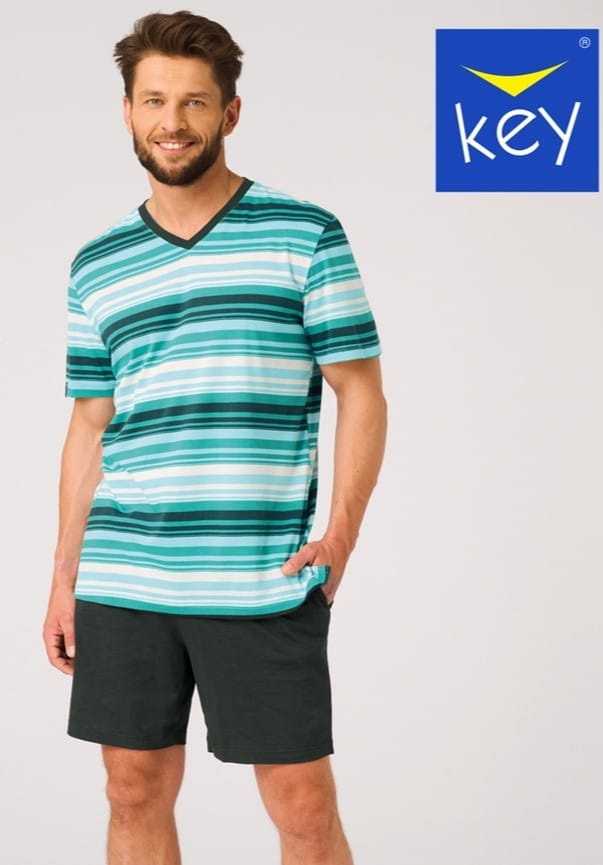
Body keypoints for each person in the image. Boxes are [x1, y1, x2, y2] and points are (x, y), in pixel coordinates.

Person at [43, 10, 387, 865]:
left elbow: (360, 390)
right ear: (127, 111)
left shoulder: (303, 234)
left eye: (194, 102)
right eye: (154, 101)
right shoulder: (96, 263)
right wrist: (63, 576)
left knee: (303, 805)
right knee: (131, 788)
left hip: (260, 573)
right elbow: (89, 423)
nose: (172, 121)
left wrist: (341, 533)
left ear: (229, 112)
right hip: (124, 573)